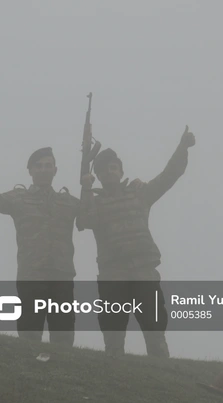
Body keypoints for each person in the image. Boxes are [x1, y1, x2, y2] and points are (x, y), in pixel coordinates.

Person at [78, 126, 196, 358]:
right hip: (113, 272)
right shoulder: (94, 201)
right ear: (99, 175)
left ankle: (161, 372)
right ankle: (114, 373)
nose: (110, 172)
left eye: (114, 168)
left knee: (154, 327)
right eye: (105, 170)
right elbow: (83, 221)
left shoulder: (139, 193)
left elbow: (168, 176)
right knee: (113, 330)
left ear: (121, 172)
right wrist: (86, 188)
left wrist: (182, 148)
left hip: (144, 270)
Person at [0, 147, 79, 347]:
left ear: (55, 170)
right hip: (31, 275)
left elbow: (95, 214)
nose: (43, 170)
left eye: (48, 166)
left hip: (62, 276)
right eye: (38, 166)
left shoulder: (68, 201)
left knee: (64, 337)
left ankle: (62, 377)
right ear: (30, 171)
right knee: (29, 336)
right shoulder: (19, 198)